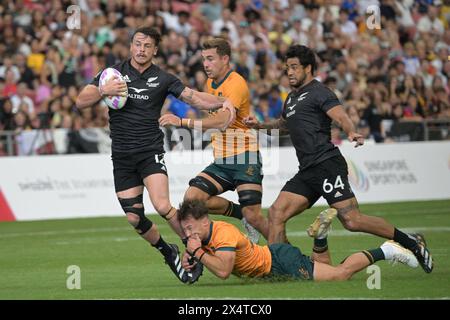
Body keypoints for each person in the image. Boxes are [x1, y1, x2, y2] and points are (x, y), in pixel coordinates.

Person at [244, 45, 433, 273]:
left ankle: (411, 242)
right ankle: (277, 268)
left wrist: (351, 131)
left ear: (308, 68)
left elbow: (340, 115)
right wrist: (260, 125)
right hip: (307, 170)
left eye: (294, 67)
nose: (290, 72)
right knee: (276, 213)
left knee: (352, 220)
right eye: (287, 68)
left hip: (326, 163)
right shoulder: (291, 98)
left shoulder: (319, 91)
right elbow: (285, 125)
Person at [76, 27, 235, 284]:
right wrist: (103, 90)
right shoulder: (113, 74)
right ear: (130, 46)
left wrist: (222, 101)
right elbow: (81, 101)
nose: (141, 49)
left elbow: (194, 98)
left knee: (162, 205)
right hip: (122, 156)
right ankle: (167, 250)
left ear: (155, 50)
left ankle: (192, 249)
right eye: (137, 44)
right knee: (133, 217)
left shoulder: (163, 78)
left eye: (147, 46)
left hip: (150, 151)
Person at [159, 37, 268, 244]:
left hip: (244, 156)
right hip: (222, 160)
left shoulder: (235, 83)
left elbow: (223, 120)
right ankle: (242, 215)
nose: (206, 64)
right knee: (192, 199)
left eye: (210, 59)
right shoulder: (210, 82)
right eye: (204, 59)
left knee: (255, 216)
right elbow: (203, 101)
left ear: (225, 59)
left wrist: (182, 121)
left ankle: (286, 252)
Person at [178, 199, 419, 282]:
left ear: (204, 221)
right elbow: (213, 258)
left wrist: (198, 254)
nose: (188, 234)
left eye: (190, 227)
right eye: (185, 229)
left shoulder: (223, 233)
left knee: (340, 275)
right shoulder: (205, 235)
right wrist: (194, 260)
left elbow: (223, 271)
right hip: (274, 260)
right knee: (329, 270)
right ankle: (321, 238)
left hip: (280, 263)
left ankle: (386, 250)